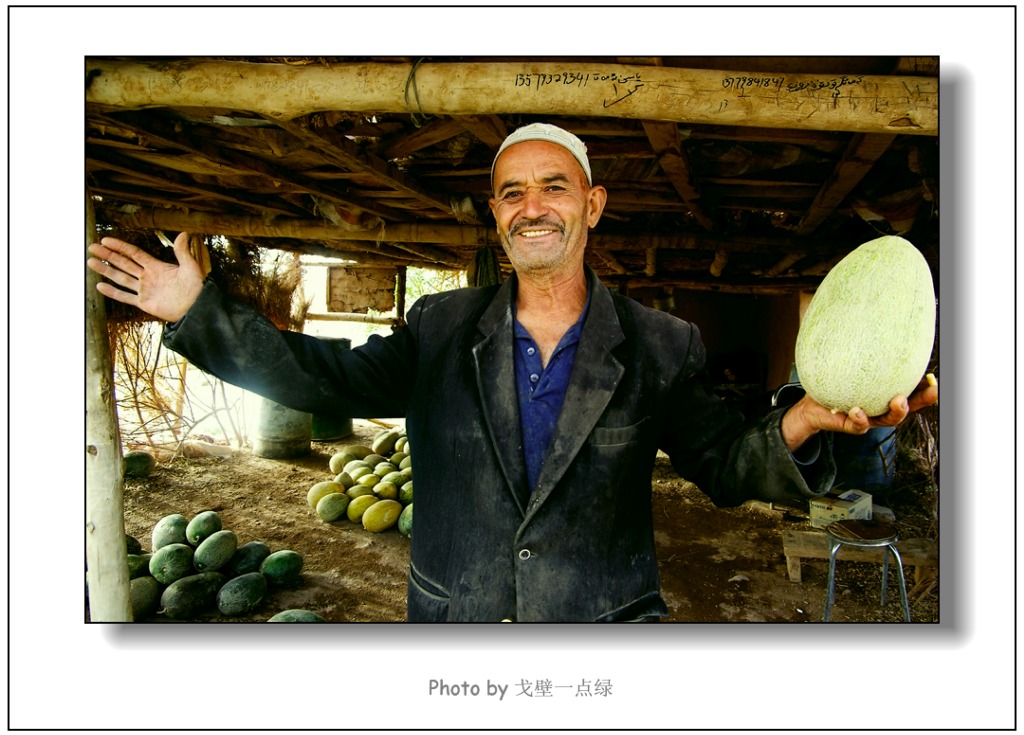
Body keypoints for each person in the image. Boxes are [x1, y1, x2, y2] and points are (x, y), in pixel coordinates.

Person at [87, 123, 938, 622]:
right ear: (496, 214)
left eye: (555, 187)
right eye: (513, 192)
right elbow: (322, 378)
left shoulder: (660, 342)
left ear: (592, 206)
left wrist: (800, 423)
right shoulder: (439, 326)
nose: (534, 206)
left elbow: (723, 463)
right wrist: (195, 310)